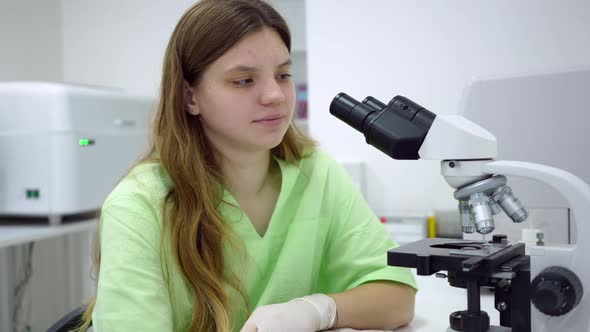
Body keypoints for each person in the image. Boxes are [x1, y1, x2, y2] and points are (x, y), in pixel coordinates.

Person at [77, 0, 417, 331]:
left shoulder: (316, 172)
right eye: (244, 81)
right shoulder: (138, 206)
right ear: (189, 97)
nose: (275, 95)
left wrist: (319, 310)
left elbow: (397, 296)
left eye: (283, 75)